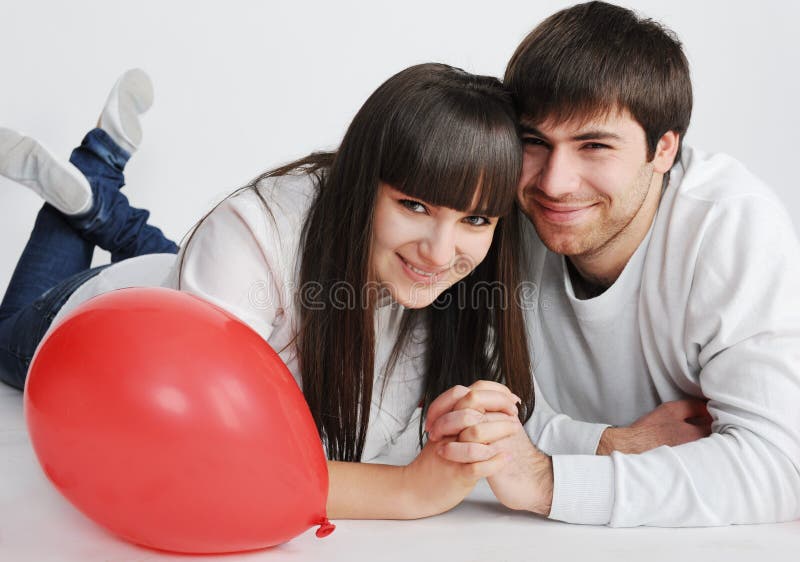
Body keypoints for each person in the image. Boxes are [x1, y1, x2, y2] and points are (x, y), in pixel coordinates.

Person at [0, 64, 533, 519]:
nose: (441, 254)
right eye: (414, 206)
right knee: (7, 337)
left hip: (185, 290)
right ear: (362, 183)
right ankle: (94, 176)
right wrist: (408, 490)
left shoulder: (453, 286)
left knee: (176, 261)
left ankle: (98, 199)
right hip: (96, 321)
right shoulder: (253, 231)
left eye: (477, 218)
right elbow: (202, 460)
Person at [427, 0, 800, 526]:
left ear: (663, 150)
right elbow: (453, 399)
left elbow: (779, 467)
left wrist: (545, 479)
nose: (555, 183)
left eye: (594, 145)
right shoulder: (494, 207)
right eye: (535, 141)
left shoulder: (730, 225)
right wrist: (608, 444)